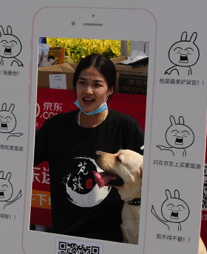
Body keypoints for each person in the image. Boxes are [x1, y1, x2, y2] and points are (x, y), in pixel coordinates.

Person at [32, 53, 143, 242]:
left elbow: (148, 178)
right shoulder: (55, 127)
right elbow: (16, 156)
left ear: (110, 90)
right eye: (82, 83)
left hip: (112, 239)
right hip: (64, 237)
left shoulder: (126, 127)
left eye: (97, 85)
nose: (88, 91)